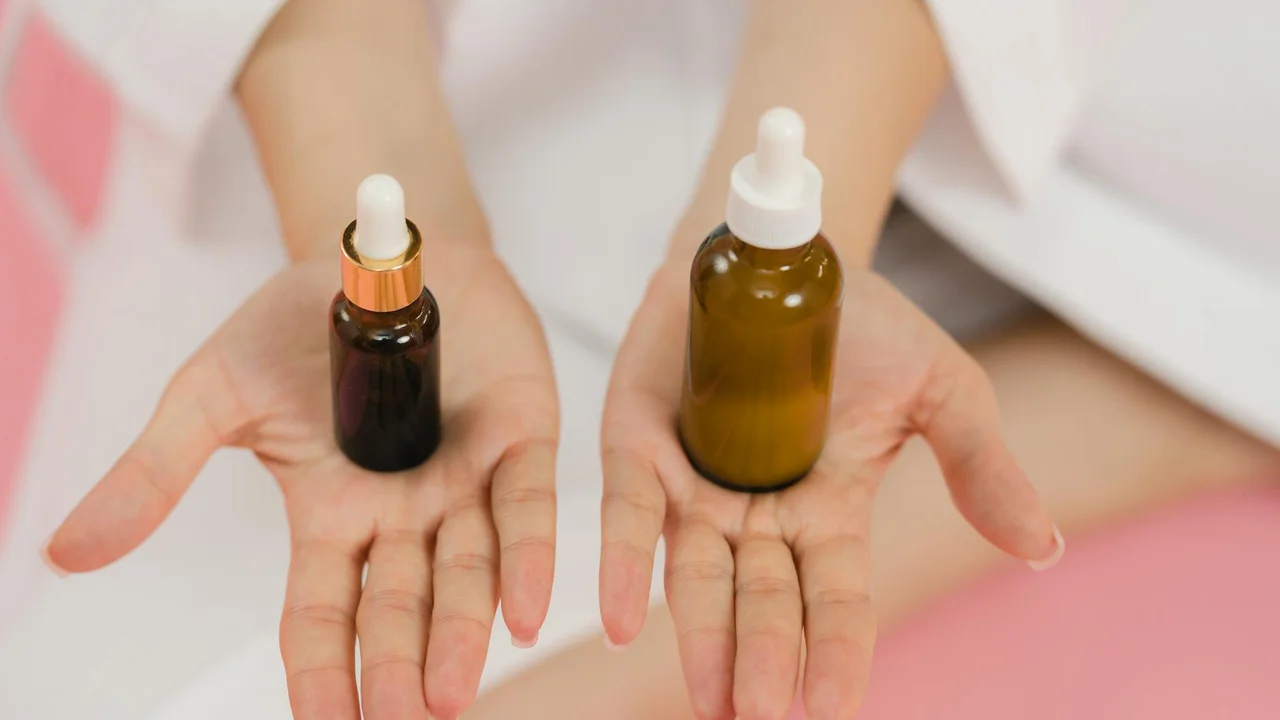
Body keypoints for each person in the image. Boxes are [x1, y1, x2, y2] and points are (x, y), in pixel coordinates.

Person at [0, 1, 1276, 720]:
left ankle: (1171, 374)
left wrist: (815, 194)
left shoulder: (763, 266)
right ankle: (1172, 369)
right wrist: (373, 168)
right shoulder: (380, 300)